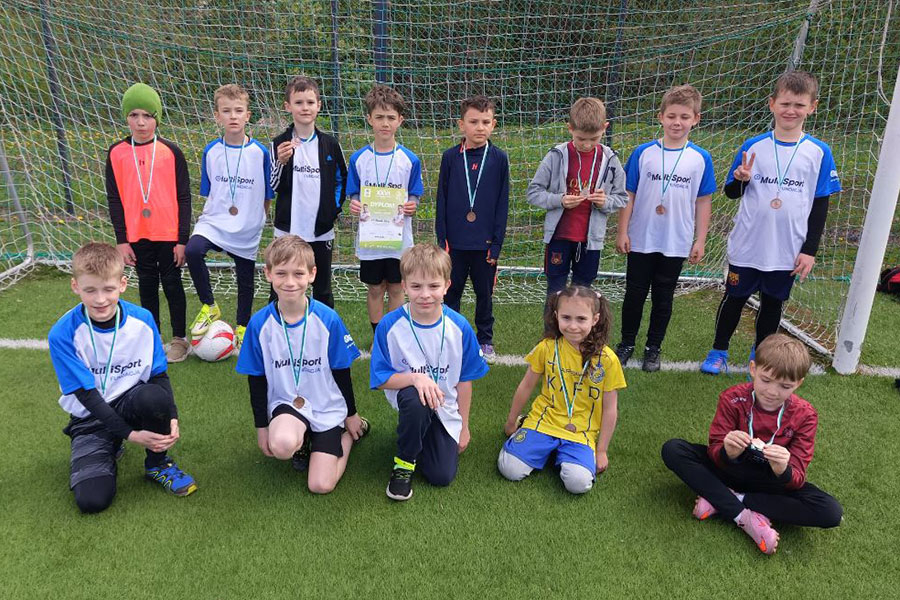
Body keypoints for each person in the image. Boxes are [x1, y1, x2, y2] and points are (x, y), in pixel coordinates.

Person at [700, 71, 841, 374]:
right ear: (772, 103)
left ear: (812, 107)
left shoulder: (819, 152)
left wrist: (809, 250)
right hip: (748, 243)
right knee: (734, 297)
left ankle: (761, 354)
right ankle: (718, 350)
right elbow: (731, 192)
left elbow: (820, 205)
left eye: (799, 105)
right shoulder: (753, 145)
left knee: (773, 303)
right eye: (785, 104)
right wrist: (740, 179)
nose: (791, 111)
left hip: (787, 247)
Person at [48, 242, 197, 513]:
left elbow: (158, 375)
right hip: (90, 415)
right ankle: (110, 443)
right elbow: (87, 396)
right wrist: (130, 434)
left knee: (155, 397)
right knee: (92, 500)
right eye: (90, 290)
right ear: (75, 286)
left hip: (131, 401)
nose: (100, 299)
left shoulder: (143, 320)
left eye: (108, 289)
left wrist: (172, 417)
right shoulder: (63, 333)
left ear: (122, 284)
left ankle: (158, 464)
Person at [662, 334, 843, 555]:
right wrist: (727, 452)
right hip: (729, 471)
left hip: (769, 483)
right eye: (766, 380)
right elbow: (715, 450)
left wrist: (783, 469)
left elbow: (797, 477)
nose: (772, 392)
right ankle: (744, 517)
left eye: (785, 386)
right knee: (674, 450)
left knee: (830, 512)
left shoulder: (806, 415)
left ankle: (726, 499)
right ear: (753, 369)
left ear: (799, 383)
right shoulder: (732, 398)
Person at [235, 235, 369, 494]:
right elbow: (256, 379)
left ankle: (346, 434)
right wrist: (262, 427)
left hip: (326, 406)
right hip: (287, 404)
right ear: (268, 274)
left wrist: (351, 414)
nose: (290, 282)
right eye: (281, 273)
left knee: (320, 485)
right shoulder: (259, 325)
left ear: (312, 274)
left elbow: (342, 372)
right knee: (281, 445)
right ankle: (302, 438)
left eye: (298, 273)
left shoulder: (328, 319)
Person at [370, 243, 489, 501]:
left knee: (441, 475)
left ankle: (420, 435)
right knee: (416, 398)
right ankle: (404, 463)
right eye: (416, 286)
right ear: (404, 286)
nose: (425, 295)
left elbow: (464, 380)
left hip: (445, 406)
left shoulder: (459, 327)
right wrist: (416, 378)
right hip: (410, 398)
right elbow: (380, 379)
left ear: (447, 285)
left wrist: (464, 427)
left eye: (433, 286)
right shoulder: (390, 326)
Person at [614, 85, 716, 372]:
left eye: (684, 117)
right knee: (634, 294)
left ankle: (653, 348)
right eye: (671, 116)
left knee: (663, 296)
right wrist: (622, 231)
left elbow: (703, 201)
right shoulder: (643, 152)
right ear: (660, 117)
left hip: (676, 240)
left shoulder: (700, 158)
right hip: (641, 237)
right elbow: (629, 194)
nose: (677, 122)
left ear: (696, 119)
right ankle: (626, 343)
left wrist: (700, 240)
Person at [498, 285, 625, 494]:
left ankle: (558, 453)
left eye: (581, 319)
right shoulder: (547, 347)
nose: (573, 326)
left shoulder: (607, 359)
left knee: (578, 484)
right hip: (544, 421)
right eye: (566, 318)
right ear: (556, 316)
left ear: (595, 319)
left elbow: (610, 408)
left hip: (581, 432)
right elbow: (526, 386)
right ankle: (526, 426)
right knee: (509, 469)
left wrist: (602, 450)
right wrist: (511, 422)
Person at [106, 83, 191, 362]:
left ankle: (179, 338)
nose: (141, 122)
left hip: (168, 234)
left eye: (147, 115)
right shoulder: (116, 152)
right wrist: (121, 240)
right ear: (126, 117)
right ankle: (151, 337)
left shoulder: (171, 151)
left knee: (172, 283)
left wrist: (182, 240)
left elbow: (184, 197)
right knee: (146, 284)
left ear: (157, 118)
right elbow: (114, 199)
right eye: (134, 115)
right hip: (136, 234)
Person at [186, 84, 274, 350]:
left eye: (238, 110)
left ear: (248, 115)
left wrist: (258, 219)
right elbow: (210, 191)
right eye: (226, 111)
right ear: (217, 116)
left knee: (245, 279)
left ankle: (242, 327)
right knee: (193, 250)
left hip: (247, 224)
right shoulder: (211, 151)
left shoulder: (260, 153)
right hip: (215, 222)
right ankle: (209, 305)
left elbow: (267, 193)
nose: (233, 116)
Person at [526, 97, 627, 297]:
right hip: (559, 238)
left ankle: (580, 320)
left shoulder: (611, 160)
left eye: (594, 139)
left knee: (583, 294)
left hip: (591, 242)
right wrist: (560, 200)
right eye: (581, 139)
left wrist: (605, 202)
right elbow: (533, 192)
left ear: (605, 128)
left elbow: (622, 198)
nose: (587, 145)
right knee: (555, 292)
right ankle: (554, 321)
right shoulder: (556, 155)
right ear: (570, 128)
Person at [436, 95, 510, 359]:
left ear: (494, 124)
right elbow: (441, 200)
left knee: (484, 294)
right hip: (455, 243)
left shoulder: (499, 159)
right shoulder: (450, 158)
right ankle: (449, 336)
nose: (480, 127)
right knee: (451, 292)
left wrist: (496, 244)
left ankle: (485, 339)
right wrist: (442, 240)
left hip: (484, 244)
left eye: (485, 122)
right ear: (461, 125)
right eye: (474, 122)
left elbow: (502, 204)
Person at [347, 85, 425, 335]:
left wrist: (412, 205)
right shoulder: (358, 158)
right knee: (375, 288)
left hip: (398, 239)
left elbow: (415, 194)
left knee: (396, 288)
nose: (385, 123)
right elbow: (354, 194)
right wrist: (355, 204)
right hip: (371, 239)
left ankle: (393, 335)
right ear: (369, 119)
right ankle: (378, 335)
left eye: (391, 117)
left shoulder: (409, 159)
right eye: (379, 117)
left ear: (400, 120)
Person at [270, 76, 348, 308]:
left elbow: (341, 181)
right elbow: (272, 186)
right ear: (288, 106)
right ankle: (277, 327)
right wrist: (281, 163)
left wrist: (331, 211)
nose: (305, 108)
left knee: (322, 288)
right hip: (287, 229)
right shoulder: (279, 143)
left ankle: (323, 327)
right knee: (281, 287)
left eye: (310, 102)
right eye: (299, 102)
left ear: (319, 105)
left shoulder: (330, 144)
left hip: (320, 231)